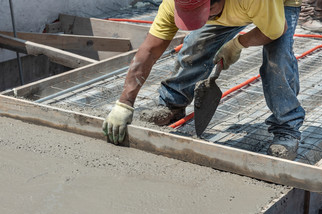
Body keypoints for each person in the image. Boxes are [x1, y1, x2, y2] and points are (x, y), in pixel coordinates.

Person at [102, 0, 306, 160]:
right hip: (236, 7)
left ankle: (286, 129)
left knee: (277, 61)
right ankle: (172, 105)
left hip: (278, 4)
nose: (205, 19)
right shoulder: (174, 4)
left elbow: (274, 31)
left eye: (206, 13)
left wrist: (238, 44)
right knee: (195, 47)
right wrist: (125, 102)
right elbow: (150, 50)